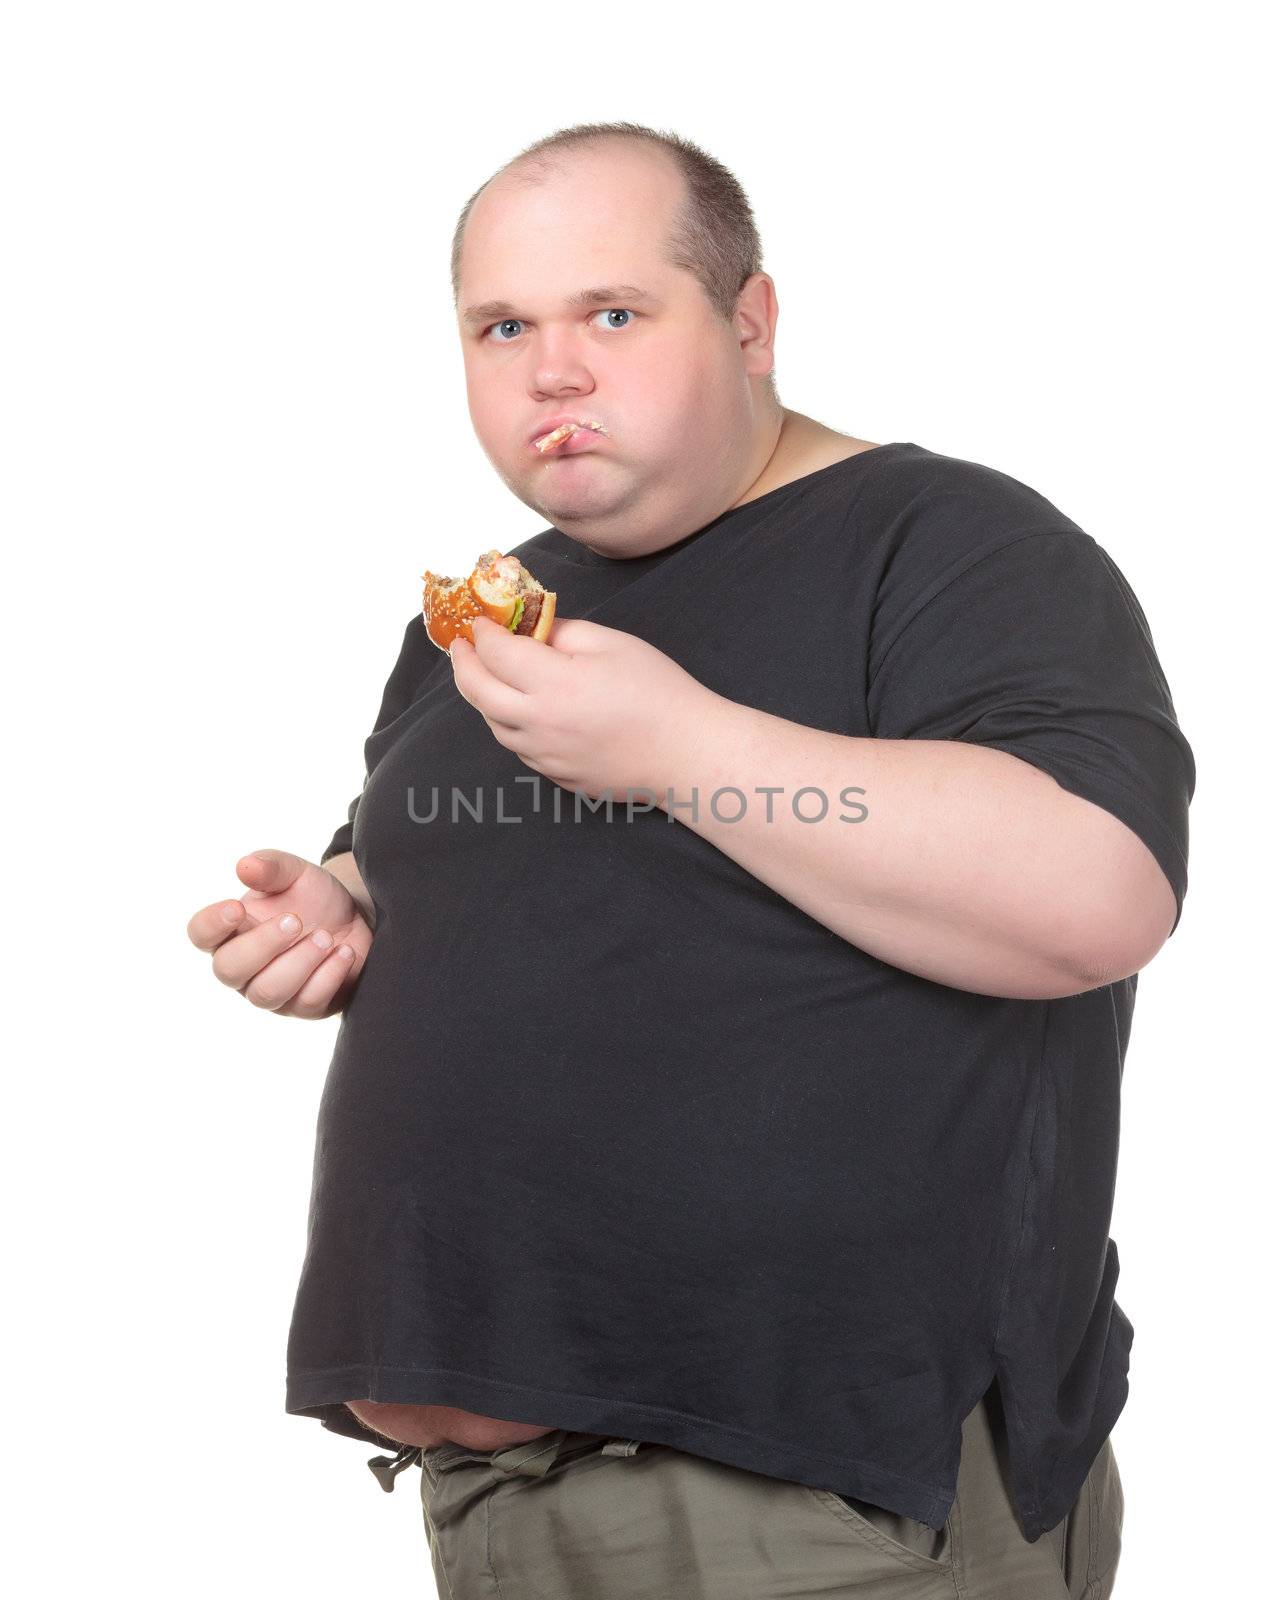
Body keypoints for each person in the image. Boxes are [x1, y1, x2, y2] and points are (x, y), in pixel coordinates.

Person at [186, 121, 1193, 1598]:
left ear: (750, 321)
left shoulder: (953, 544)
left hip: (817, 1507)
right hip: (496, 1507)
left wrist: (679, 745)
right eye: (502, 327)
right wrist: (344, 902)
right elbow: (513, 867)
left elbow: (1097, 892)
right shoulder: (488, 610)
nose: (554, 370)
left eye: (613, 313)